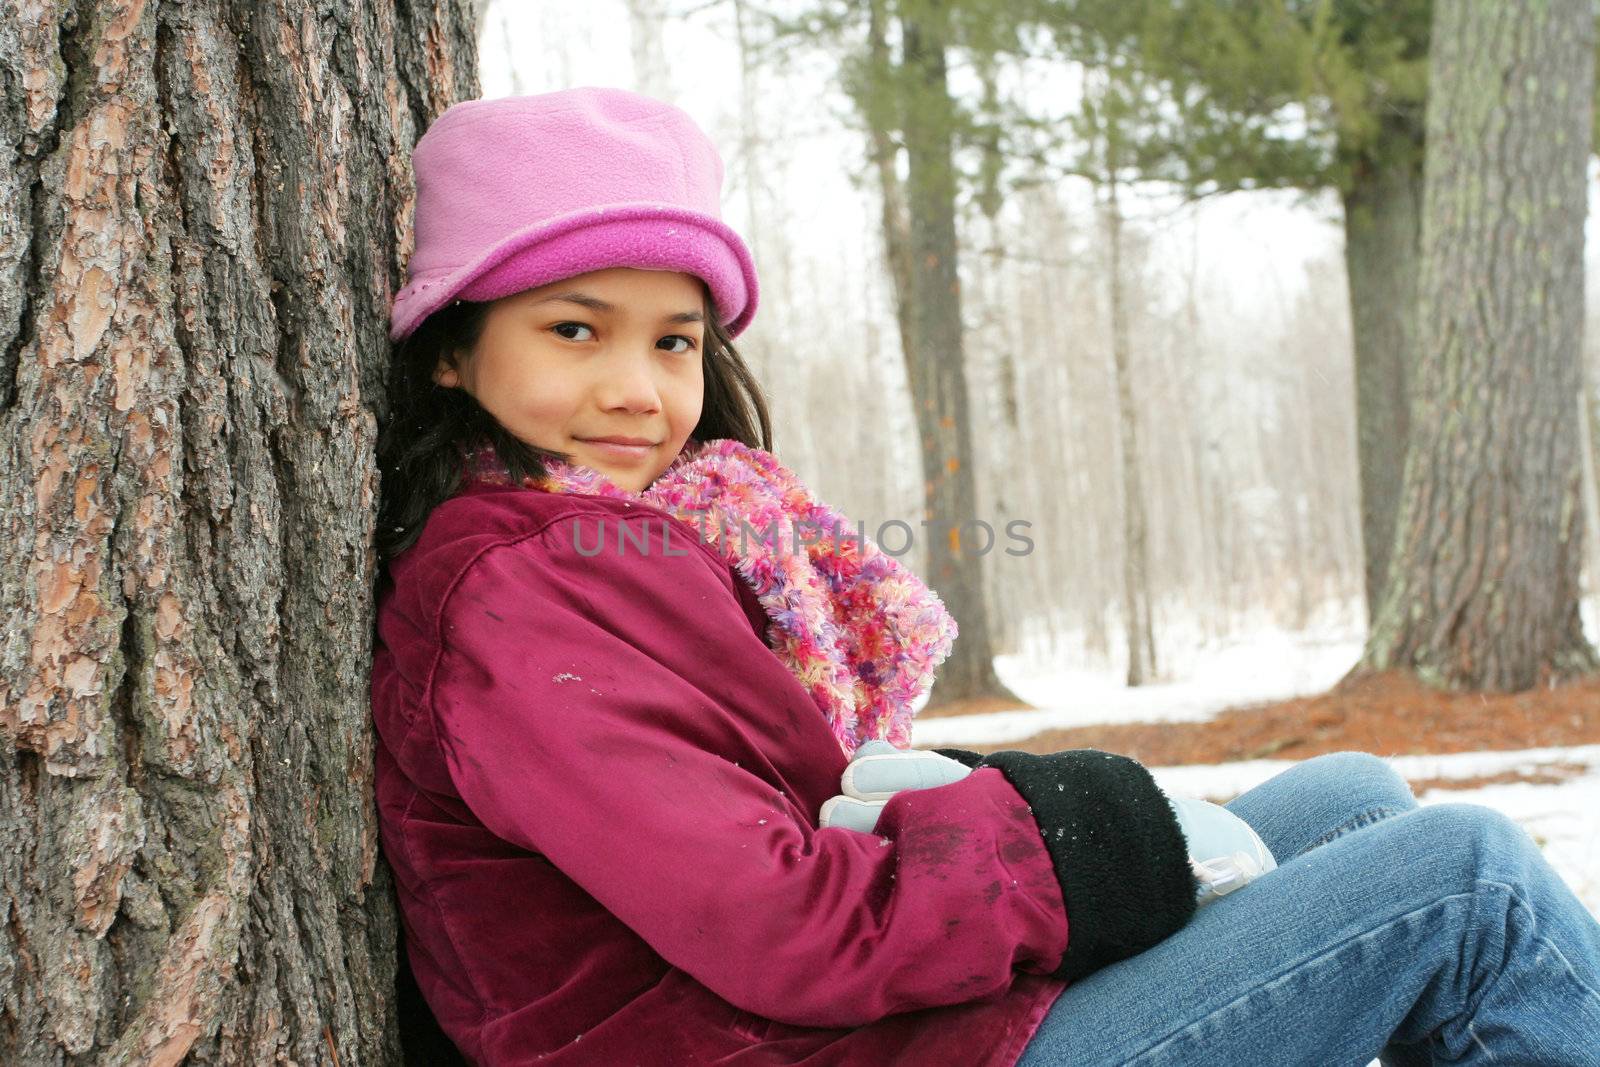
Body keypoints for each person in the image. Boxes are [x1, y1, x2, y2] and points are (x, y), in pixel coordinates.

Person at [369, 87, 1600, 1067]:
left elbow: (758, 814)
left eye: (673, 339)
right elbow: (776, 921)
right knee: (1468, 881)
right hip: (782, 1042)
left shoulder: (634, 542)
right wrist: (1052, 847)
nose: (637, 387)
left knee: (1354, 796)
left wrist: (987, 810)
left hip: (844, 1028)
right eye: (573, 329)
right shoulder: (520, 588)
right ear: (452, 350)